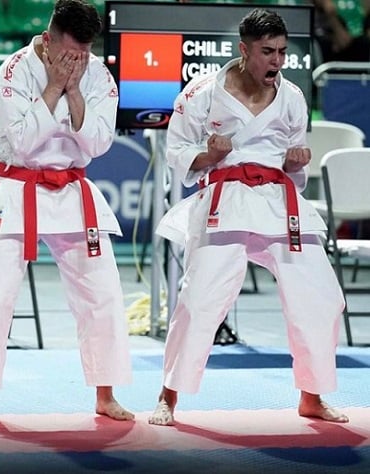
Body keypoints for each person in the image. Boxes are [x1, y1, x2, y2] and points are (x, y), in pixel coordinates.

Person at [148, 8, 349, 427]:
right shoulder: (201, 93)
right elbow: (178, 154)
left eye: (281, 51)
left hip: (278, 203)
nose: (277, 61)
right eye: (267, 52)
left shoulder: (293, 96)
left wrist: (298, 161)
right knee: (200, 299)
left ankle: (311, 396)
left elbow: (297, 168)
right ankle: (168, 395)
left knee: (322, 296)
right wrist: (210, 155)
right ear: (243, 50)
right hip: (226, 198)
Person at [0, 0, 134, 424]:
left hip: (72, 190)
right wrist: (54, 88)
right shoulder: (12, 72)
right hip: (17, 187)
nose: (77, 62)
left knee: (102, 293)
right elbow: (20, 144)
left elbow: (99, 143)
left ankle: (105, 394)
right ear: (49, 40)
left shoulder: (98, 75)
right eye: (70, 52)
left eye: (84, 53)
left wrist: (72, 90)